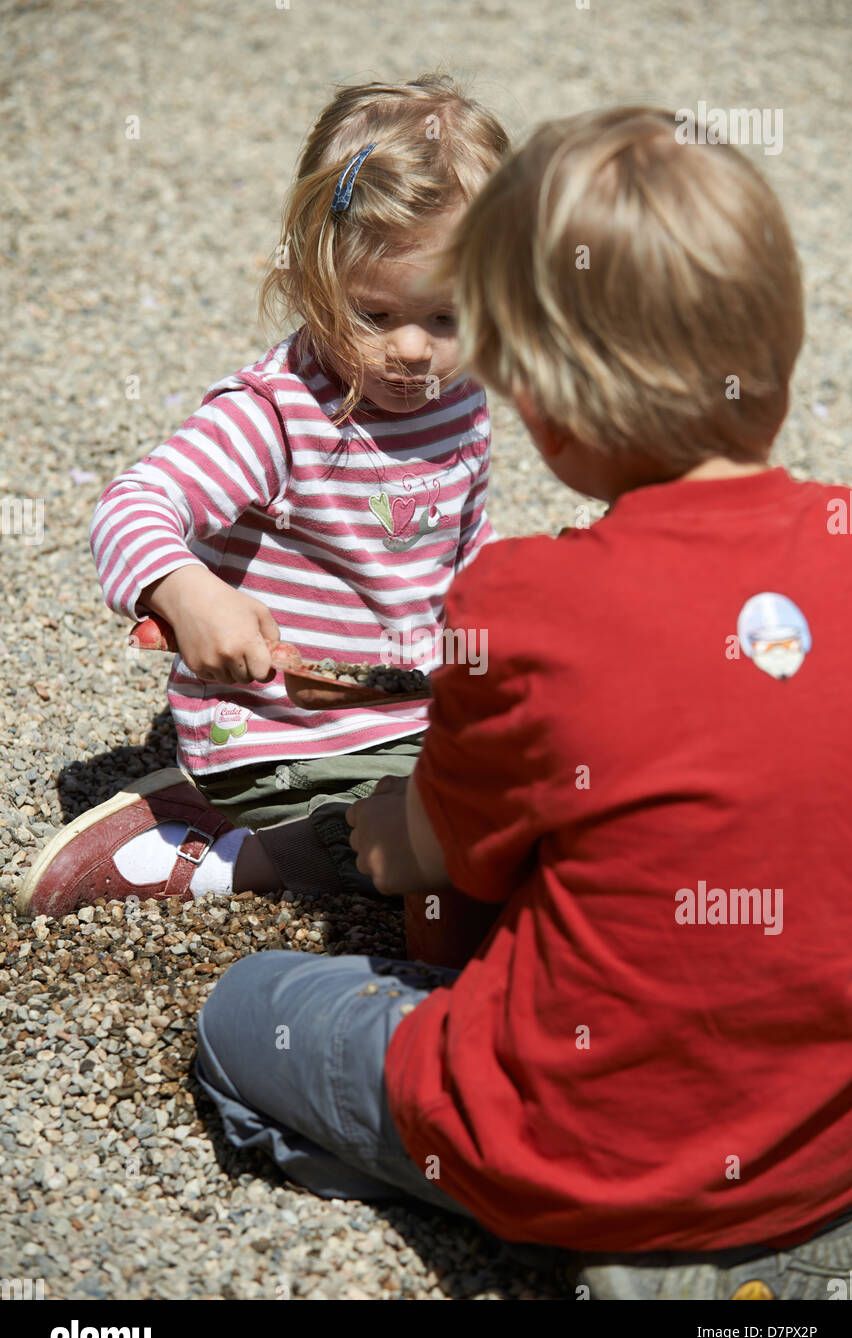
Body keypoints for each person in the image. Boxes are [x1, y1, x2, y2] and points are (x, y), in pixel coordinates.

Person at [194, 108, 852, 1298]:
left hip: (577, 1136)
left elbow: (421, 858)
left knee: (245, 1016)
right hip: (827, 1146)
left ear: (535, 396)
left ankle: (596, 1237)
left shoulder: (525, 604)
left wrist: (390, 815)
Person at [17, 74, 508, 920]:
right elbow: (132, 505)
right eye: (372, 313)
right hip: (290, 742)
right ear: (309, 279)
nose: (412, 351)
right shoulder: (277, 415)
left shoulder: (457, 402)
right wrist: (188, 590)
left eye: (446, 319)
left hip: (411, 714)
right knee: (449, 845)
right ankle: (200, 853)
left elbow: (467, 548)